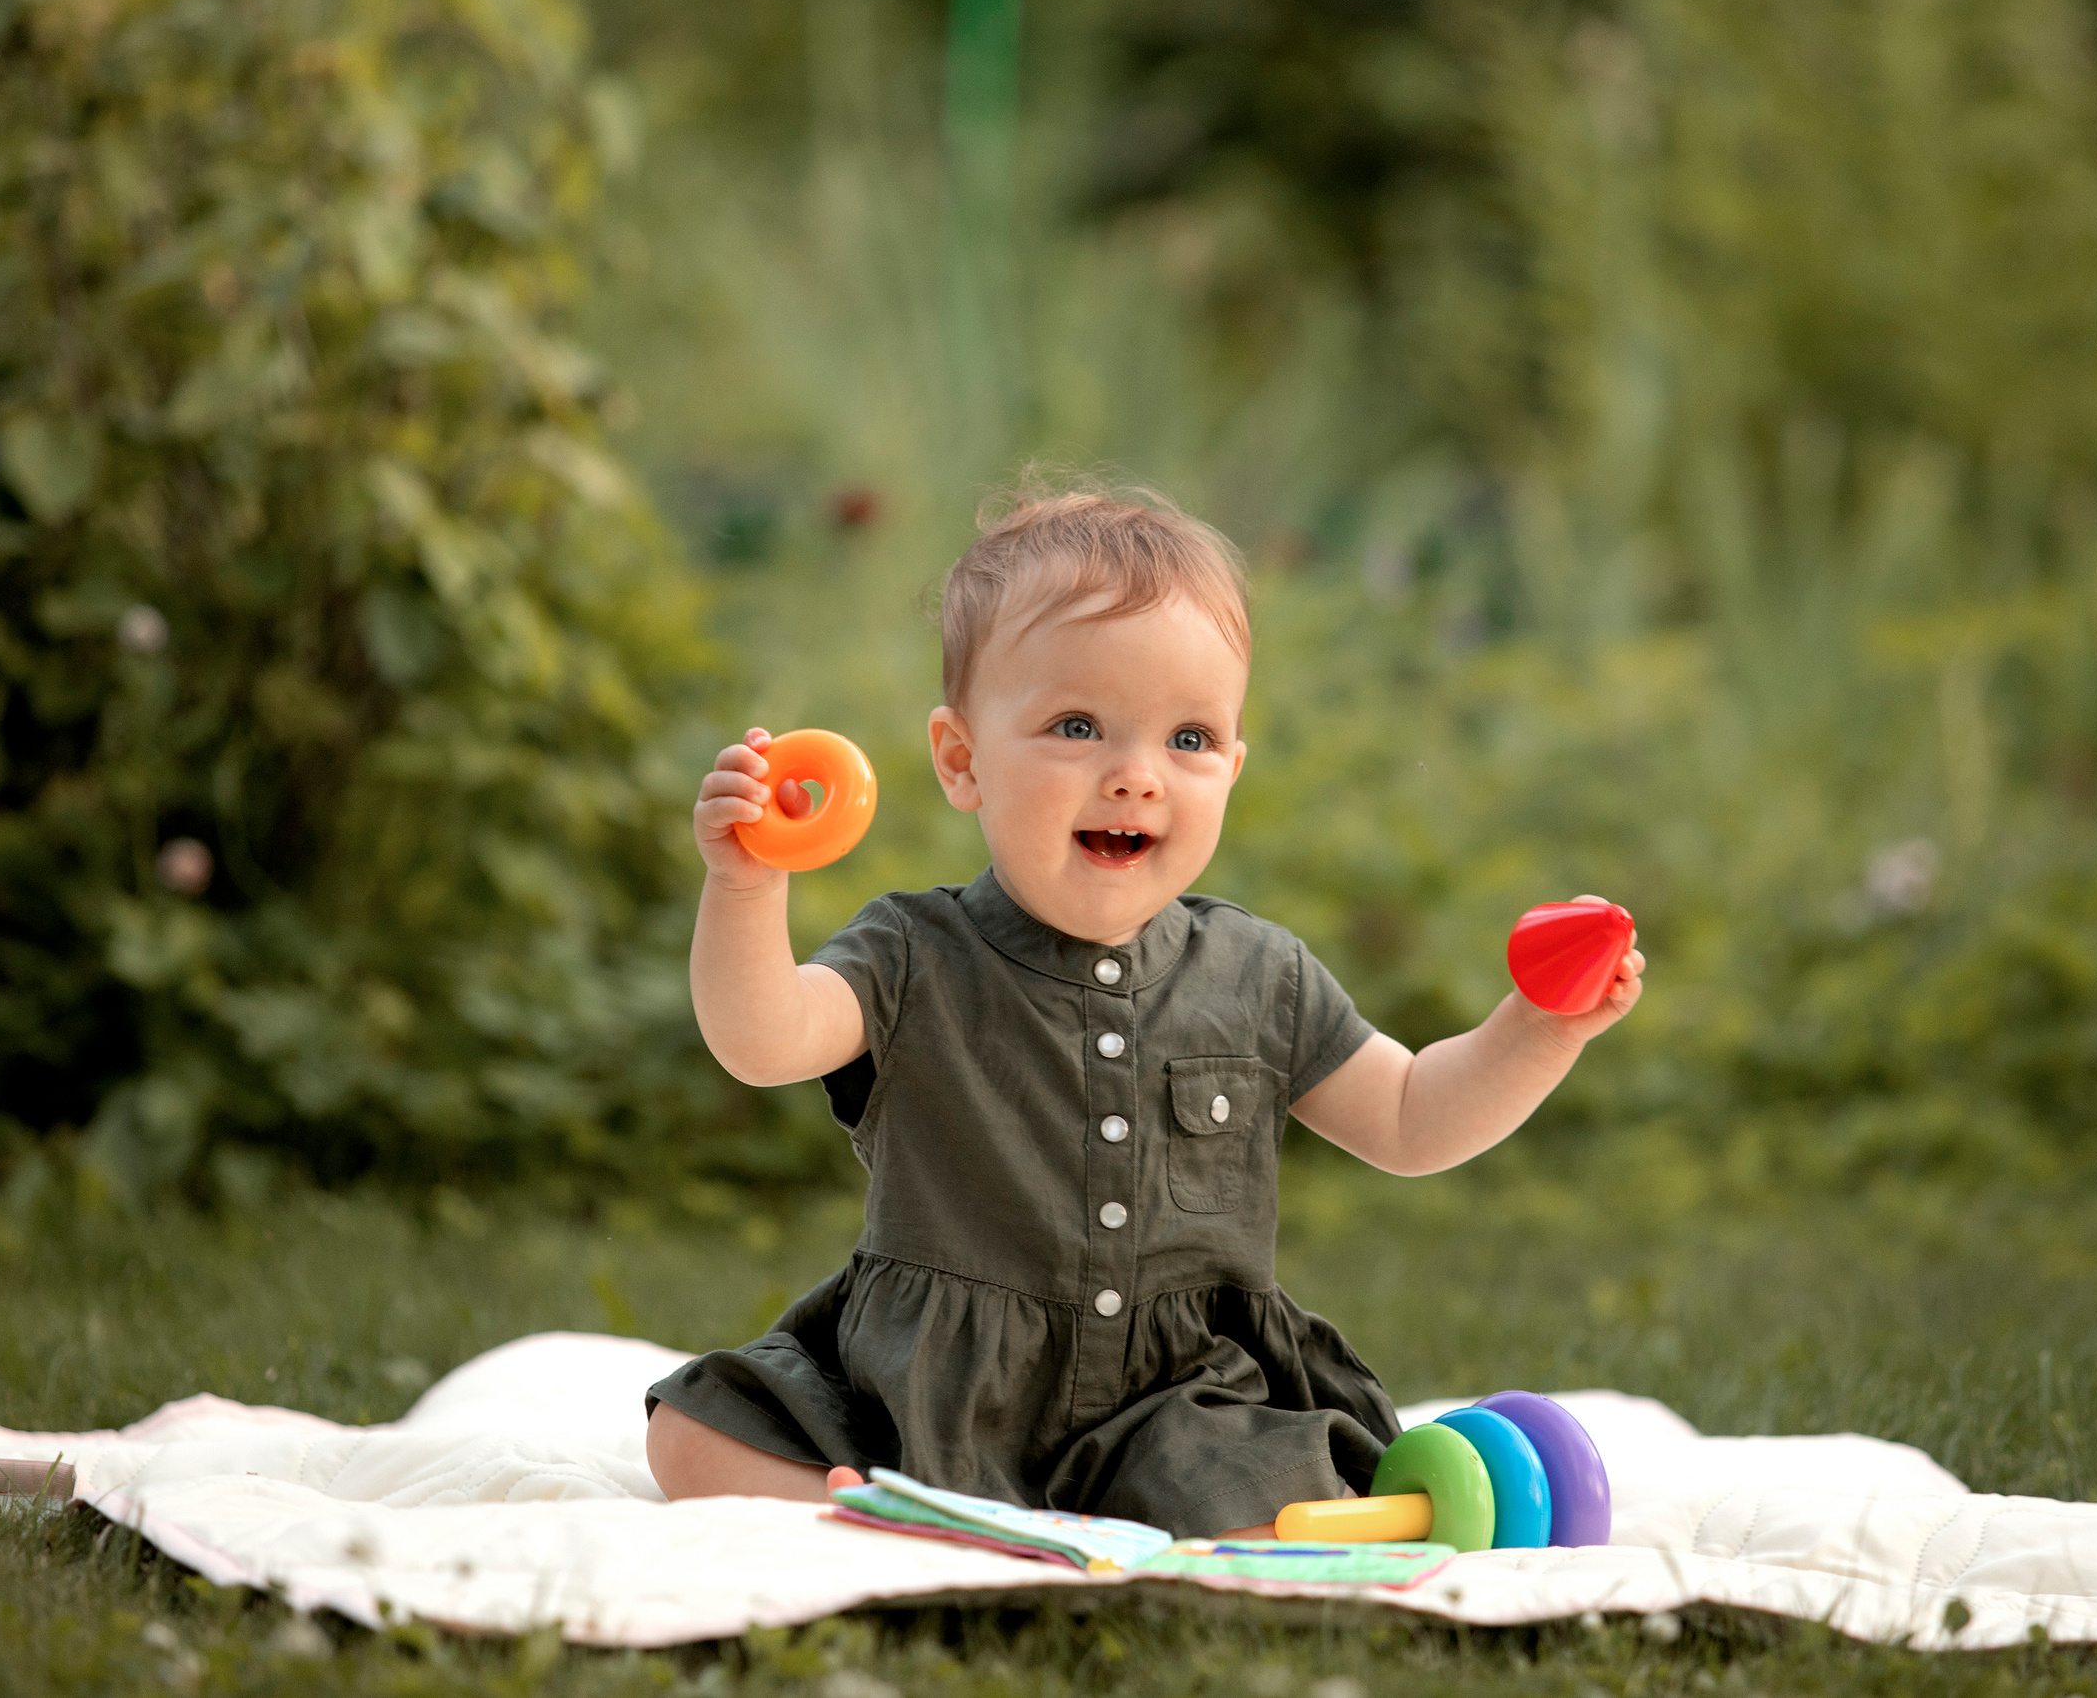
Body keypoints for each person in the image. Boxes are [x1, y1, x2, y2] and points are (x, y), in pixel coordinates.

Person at [644, 482, 1645, 1538]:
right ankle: (886, 1513)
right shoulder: (911, 953)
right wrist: (746, 886)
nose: (1135, 776)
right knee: (692, 1430)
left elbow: (1410, 1118)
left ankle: (1112, 1527)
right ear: (962, 760)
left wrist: (1540, 1028)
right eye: (1077, 727)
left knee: (1267, 1497)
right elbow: (761, 1040)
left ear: (1233, 769)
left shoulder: (1258, 974)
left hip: (1179, 1402)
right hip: (931, 1389)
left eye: (1189, 738)